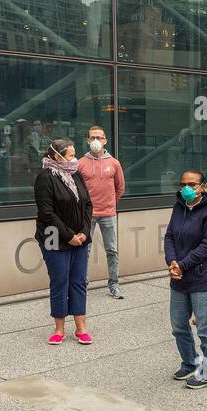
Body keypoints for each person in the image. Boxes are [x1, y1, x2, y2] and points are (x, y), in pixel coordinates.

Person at [164, 168, 207, 389]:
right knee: (179, 325)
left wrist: (183, 265)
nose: (187, 188)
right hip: (178, 277)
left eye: (192, 184)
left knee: (205, 329)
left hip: (201, 278)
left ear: (202, 186)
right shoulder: (178, 207)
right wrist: (172, 262)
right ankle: (190, 363)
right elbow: (169, 235)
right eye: (183, 184)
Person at [35, 139, 94, 346]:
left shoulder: (75, 173)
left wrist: (84, 232)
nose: (74, 158)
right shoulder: (45, 177)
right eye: (70, 155)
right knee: (60, 280)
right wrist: (69, 235)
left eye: (74, 154)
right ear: (55, 156)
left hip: (80, 237)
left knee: (79, 280)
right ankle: (59, 329)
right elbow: (47, 213)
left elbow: (87, 204)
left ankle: (81, 328)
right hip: (54, 237)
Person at [77, 124, 126, 300]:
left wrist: (110, 204)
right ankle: (82, 284)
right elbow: (76, 189)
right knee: (84, 250)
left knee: (112, 250)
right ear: (88, 140)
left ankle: (114, 284)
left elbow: (120, 188)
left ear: (105, 140)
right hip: (87, 215)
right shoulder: (80, 163)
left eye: (99, 137)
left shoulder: (114, 163)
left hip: (108, 214)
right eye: (92, 138)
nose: (96, 141)